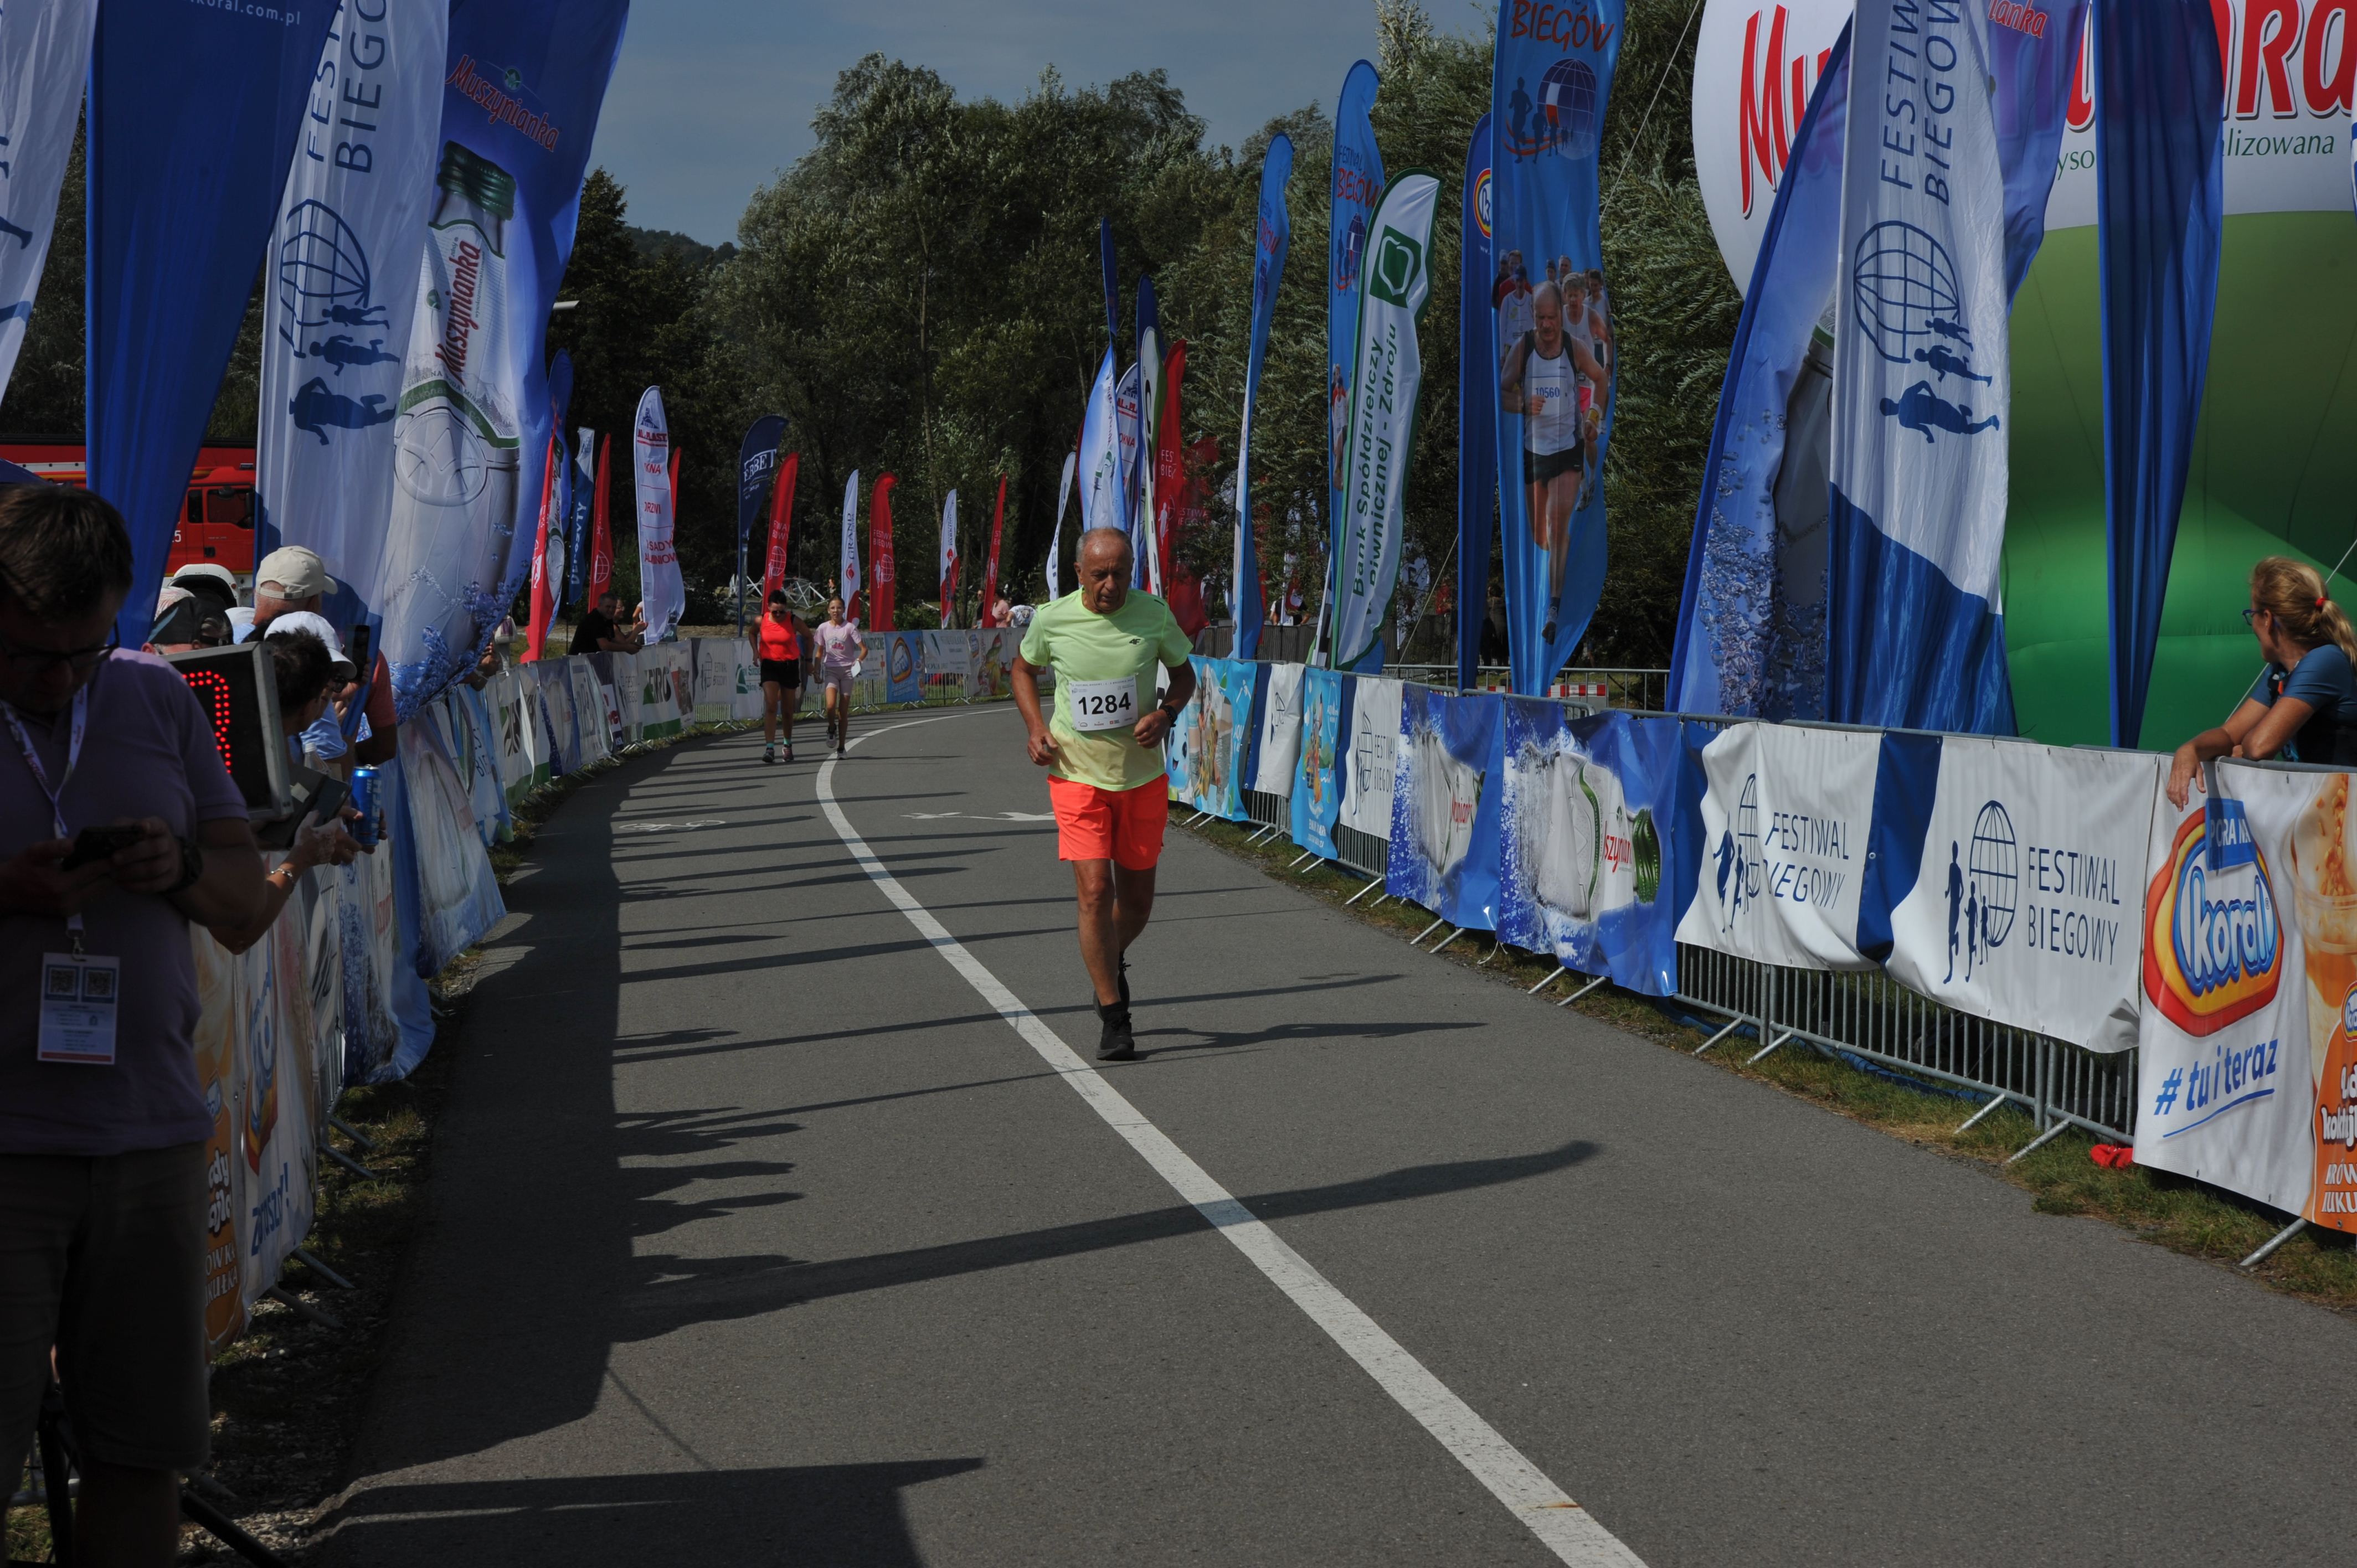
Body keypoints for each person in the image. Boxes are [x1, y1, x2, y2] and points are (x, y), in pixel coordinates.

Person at [0, 484, 267, 1568]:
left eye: (85, 650)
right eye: (29, 655)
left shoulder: (154, 696)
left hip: (147, 1137)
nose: (59, 679)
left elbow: (244, 905)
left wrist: (180, 865)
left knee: (141, 1454)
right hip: (9, 1149)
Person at [1012, 527, 1197, 1062]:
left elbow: (1184, 676)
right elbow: (1023, 670)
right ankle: (1115, 1017)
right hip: (1076, 775)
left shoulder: (1153, 614)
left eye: (1120, 573)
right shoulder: (1052, 619)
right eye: (1099, 575)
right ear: (1079, 574)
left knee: (1136, 905)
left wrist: (1166, 714)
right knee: (1096, 891)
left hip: (1140, 778)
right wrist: (1035, 727)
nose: (1111, 585)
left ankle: (1107, 960)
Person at [207, 628, 363, 955]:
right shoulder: (232, 771)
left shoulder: (230, 741)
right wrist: (300, 858)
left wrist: (317, 823)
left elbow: (244, 834)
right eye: (326, 691)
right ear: (309, 708)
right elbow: (235, 933)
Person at [2168, 556, 2357, 807]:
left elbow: (2259, 746)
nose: (2252, 626)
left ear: (2267, 619)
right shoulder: (2278, 671)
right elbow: (2228, 734)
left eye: (2252, 615)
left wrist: (2242, 747)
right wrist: (2190, 749)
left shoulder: (2325, 660)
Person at [1500, 281, 1607, 646]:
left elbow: (1601, 379)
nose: (1547, 325)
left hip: (1567, 450)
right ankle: (1553, 573)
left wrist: (1593, 416)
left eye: (1552, 318)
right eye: (1541, 318)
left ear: (1560, 314)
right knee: (1540, 536)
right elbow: (1502, 392)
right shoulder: (1524, 348)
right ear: (1533, 316)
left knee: (1556, 524)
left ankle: (1554, 609)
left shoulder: (1574, 347)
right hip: (1535, 453)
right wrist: (1521, 404)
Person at [243, 545, 396, 766]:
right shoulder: (307, 665)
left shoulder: (228, 637)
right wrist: (345, 745)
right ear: (315, 603)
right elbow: (333, 770)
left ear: (256, 594)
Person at [756, 591, 805, 764]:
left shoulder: (793, 621)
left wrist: (808, 661)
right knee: (771, 705)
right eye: (775, 611)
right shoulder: (761, 620)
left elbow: (809, 636)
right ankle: (770, 748)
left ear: (786, 609)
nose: (778, 614)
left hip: (789, 666)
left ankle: (787, 745)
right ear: (768, 607)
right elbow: (752, 633)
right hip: (769, 666)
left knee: (787, 709)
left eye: (781, 611)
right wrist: (755, 651)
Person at [813, 596, 866, 756]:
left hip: (847, 672)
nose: (836, 611)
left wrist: (858, 661)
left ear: (844, 610)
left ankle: (842, 747)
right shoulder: (823, 628)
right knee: (830, 706)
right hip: (831, 671)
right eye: (833, 608)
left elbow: (864, 649)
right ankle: (831, 728)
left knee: (843, 713)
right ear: (828, 610)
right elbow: (820, 652)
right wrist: (816, 671)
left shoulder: (849, 628)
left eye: (839, 608)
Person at [572, 589, 643, 657]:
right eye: (608, 607)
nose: (611, 610)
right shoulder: (595, 618)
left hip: (592, 660)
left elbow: (617, 641)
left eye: (614, 607)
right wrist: (627, 647)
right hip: (579, 660)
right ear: (599, 606)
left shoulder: (608, 619)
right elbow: (605, 646)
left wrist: (632, 644)